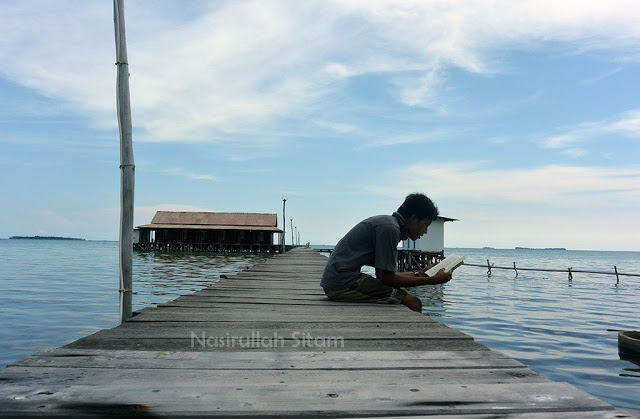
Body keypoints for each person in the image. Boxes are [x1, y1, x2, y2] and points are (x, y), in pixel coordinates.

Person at [320, 193, 452, 312]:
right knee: (414, 302)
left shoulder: (388, 224)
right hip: (342, 285)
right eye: (426, 225)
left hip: (338, 280)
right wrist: (432, 280)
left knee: (405, 297)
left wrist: (421, 273)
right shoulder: (390, 229)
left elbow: (386, 276)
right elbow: (387, 279)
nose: (426, 231)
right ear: (413, 219)